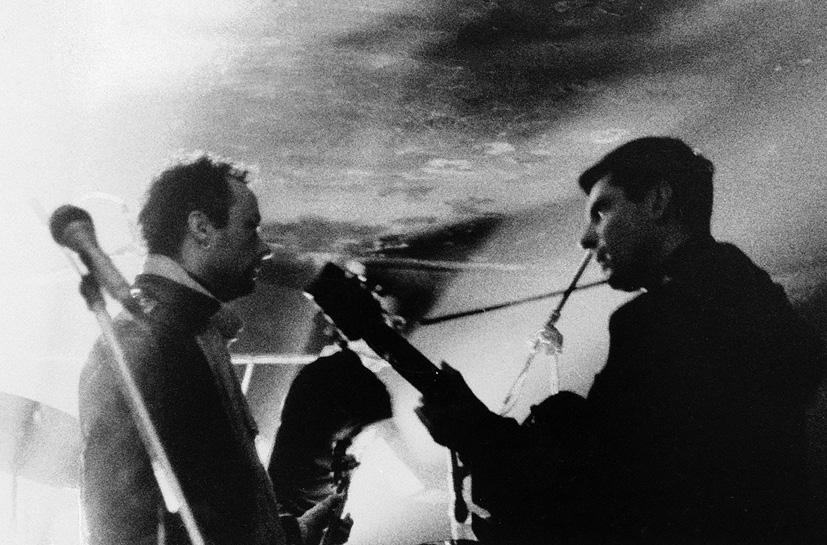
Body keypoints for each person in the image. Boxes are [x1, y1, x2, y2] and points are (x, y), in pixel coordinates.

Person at [415, 137, 826, 544]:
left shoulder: (658, 320)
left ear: (658, 201)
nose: (586, 238)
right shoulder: (755, 297)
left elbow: (594, 500)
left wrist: (474, 432)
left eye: (601, 211)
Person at [79, 154, 342, 545]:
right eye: (250, 226)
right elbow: (117, 530)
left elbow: (218, 512)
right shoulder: (138, 344)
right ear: (201, 227)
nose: (265, 248)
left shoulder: (197, 330)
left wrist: (294, 535)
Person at [268, 347, 392, 517]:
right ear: (334, 417)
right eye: (356, 426)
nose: (356, 434)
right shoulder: (298, 438)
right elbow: (311, 454)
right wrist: (337, 464)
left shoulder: (319, 435)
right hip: (290, 513)